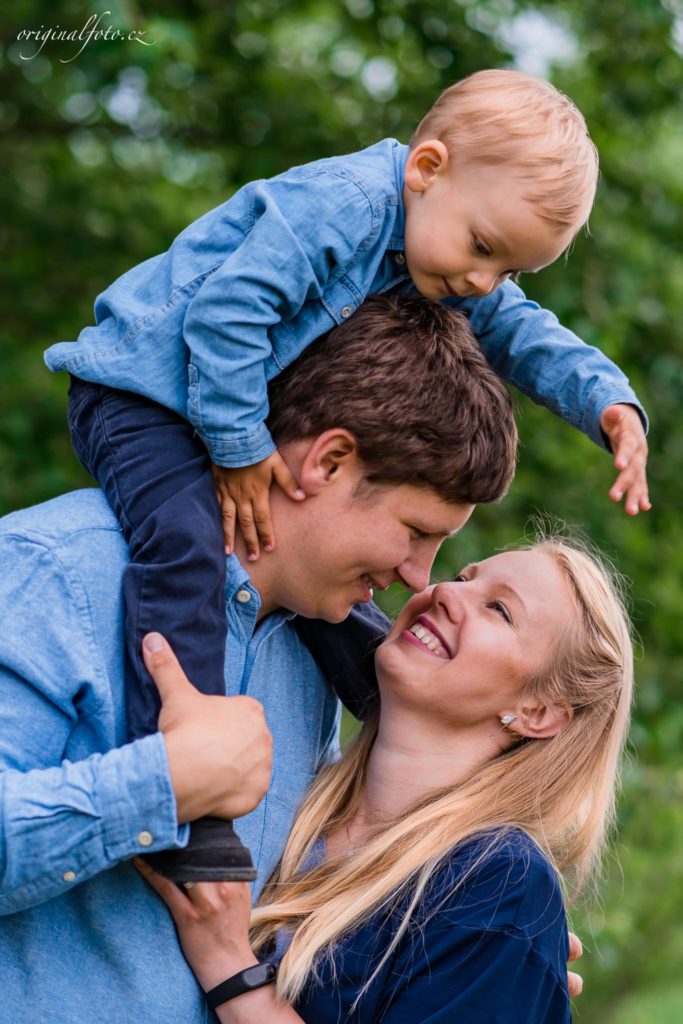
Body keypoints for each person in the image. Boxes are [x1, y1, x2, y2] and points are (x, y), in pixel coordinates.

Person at [43, 69, 648, 878]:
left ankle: (397, 710)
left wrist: (607, 401)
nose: (481, 282)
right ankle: (184, 761)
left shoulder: (440, 235)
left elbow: (521, 332)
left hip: (220, 412)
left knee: (331, 613)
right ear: (426, 168)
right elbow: (226, 316)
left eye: (507, 268)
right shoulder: (343, 207)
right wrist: (239, 446)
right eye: (481, 249)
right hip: (145, 396)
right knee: (186, 552)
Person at [0, 295, 520, 1022]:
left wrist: (468, 964)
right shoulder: (56, 572)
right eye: (413, 530)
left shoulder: (313, 659)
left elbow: (274, 914)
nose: (417, 575)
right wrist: (163, 786)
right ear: (328, 461)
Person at [139, 534, 633, 1024]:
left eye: (499, 610)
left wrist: (231, 967)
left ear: (539, 711)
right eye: (464, 578)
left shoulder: (498, 882)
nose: (444, 591)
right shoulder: (297, 790)